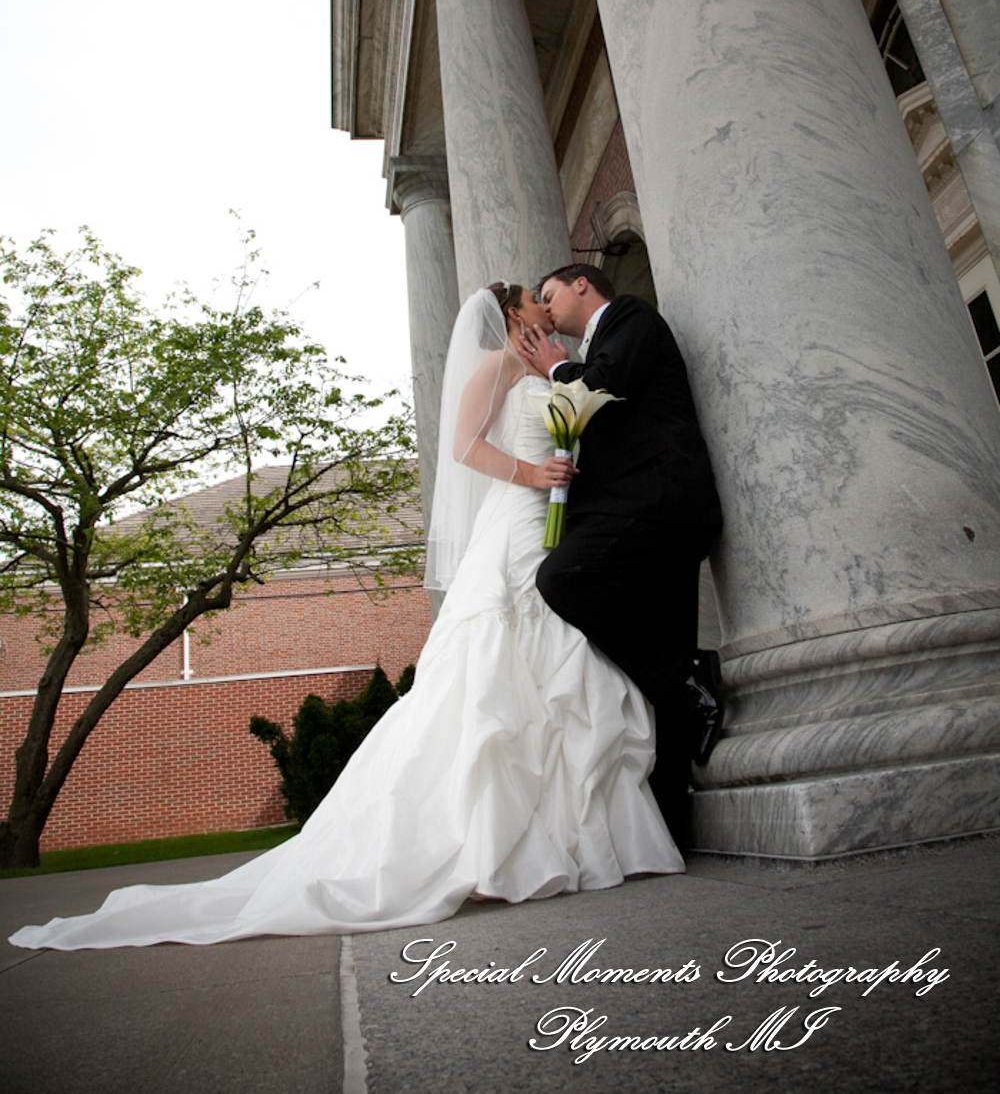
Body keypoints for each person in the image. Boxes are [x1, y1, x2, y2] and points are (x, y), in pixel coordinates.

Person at [9, 283, 682, 952]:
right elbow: (464, 448)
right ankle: (498, 844)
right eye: (535, 301)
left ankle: (570, 838)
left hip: (550, 528)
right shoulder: (497, 366)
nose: (545, 307)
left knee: (556, 668)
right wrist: (531, 476)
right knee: (498, 680)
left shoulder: (539, 365)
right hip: (515, 527)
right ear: (512, 315)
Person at [517, 264, 722, 849]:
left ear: (583, 284)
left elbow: (604, 387)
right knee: (662, 679)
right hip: (640, 515)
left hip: (660, 505)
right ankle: (676, 832)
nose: (548, 309)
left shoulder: (629, 315)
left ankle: (688, 679)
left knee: (561, 578)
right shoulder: (599, 341)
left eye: (551, 295)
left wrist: (554, 366)